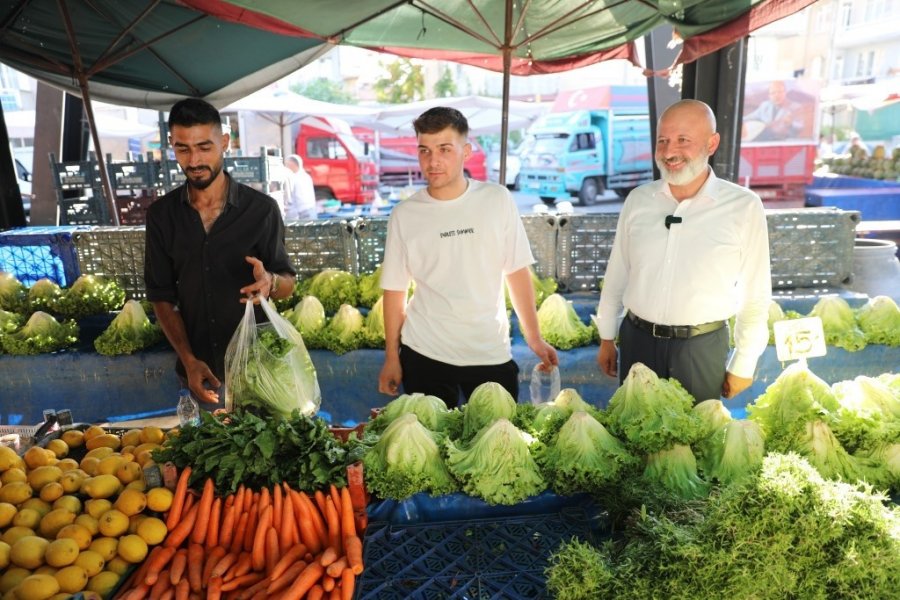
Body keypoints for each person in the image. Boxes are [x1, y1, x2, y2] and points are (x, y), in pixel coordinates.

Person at [377, 106, 558, 408]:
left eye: (444, 149)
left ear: (466, 151)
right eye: (424, 150)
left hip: (489, 351)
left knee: (497, 445)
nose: (433, 161)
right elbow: (394, 291)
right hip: (424, 352)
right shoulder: (404, 215)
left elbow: (516, 272)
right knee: (430, 448)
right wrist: (391, 358)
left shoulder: (496, 199)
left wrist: (534, 338)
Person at [596, 99, 771, 402]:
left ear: (711, 143)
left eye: (682, 140)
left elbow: (755, 292)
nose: (669, 151)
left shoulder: (743, 206)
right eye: (662, 140)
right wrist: (607, 336)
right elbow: (618, 273)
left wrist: (744, 361)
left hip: (700, 347)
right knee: (633, 438)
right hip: (637, 342)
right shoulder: (638, 200)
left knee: (696, 443)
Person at [144, 98, 297, 405]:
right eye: (183, 149)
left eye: (204, 147)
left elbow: (287, 284)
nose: (194, 160)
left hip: (258, 371)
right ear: (171, 145)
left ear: (224, 142)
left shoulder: (261, 210)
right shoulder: (161, 215)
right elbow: (161, 297)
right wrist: (188, 360)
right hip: (199, 372)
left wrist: (270, 282)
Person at [283, 154, 317, 221]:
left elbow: (298, 199)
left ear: (293, 165)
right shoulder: (305, 176)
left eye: (287, 165)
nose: (286, 167)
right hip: (311, 210)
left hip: (303, 213)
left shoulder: (295, 178)